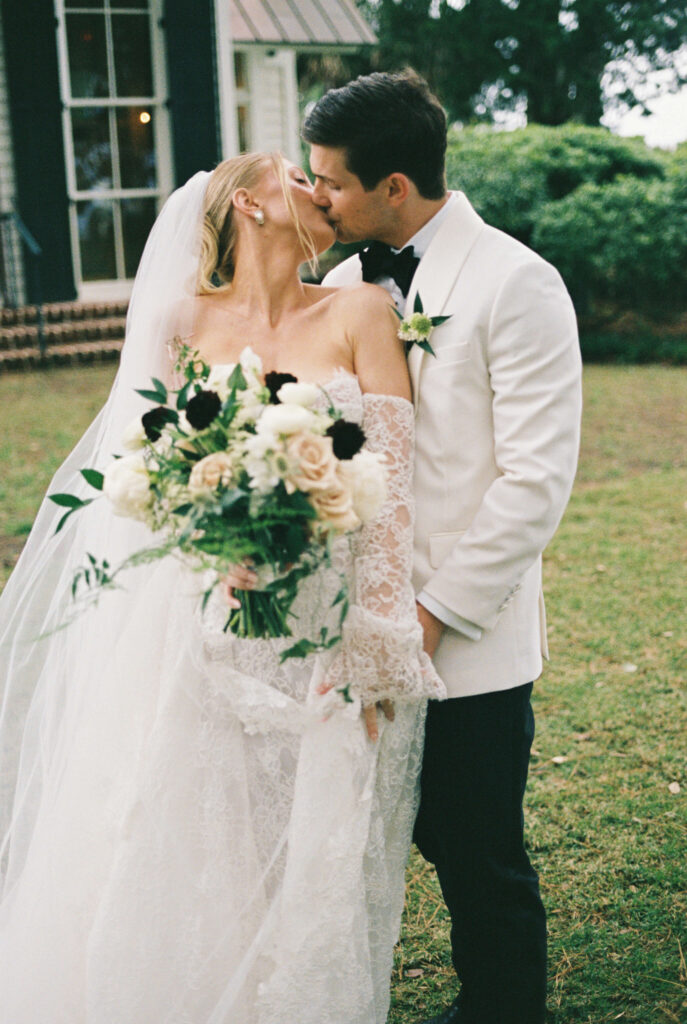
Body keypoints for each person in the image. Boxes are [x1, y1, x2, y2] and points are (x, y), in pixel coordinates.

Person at [0, 152, 445, 1023]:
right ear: (251, 202)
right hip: (202, 620)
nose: (321, 191)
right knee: (195, 829)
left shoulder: (362, 310)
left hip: (322, 628)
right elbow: (149, 473)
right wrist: (212, 539)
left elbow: (390, 489)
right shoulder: (176, 320)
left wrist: (375, 645)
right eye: (299, 177)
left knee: (310, 840)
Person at [302, 69, 583, 1024]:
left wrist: (426, 618)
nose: (317, 198)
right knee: (392, 832)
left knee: (476, 848)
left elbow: (535, 482)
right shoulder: (341, 285)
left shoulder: (517, 281)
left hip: (466, 635)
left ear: (392, 185)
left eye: (331, 181)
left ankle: (506, 1008)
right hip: (355, 622)